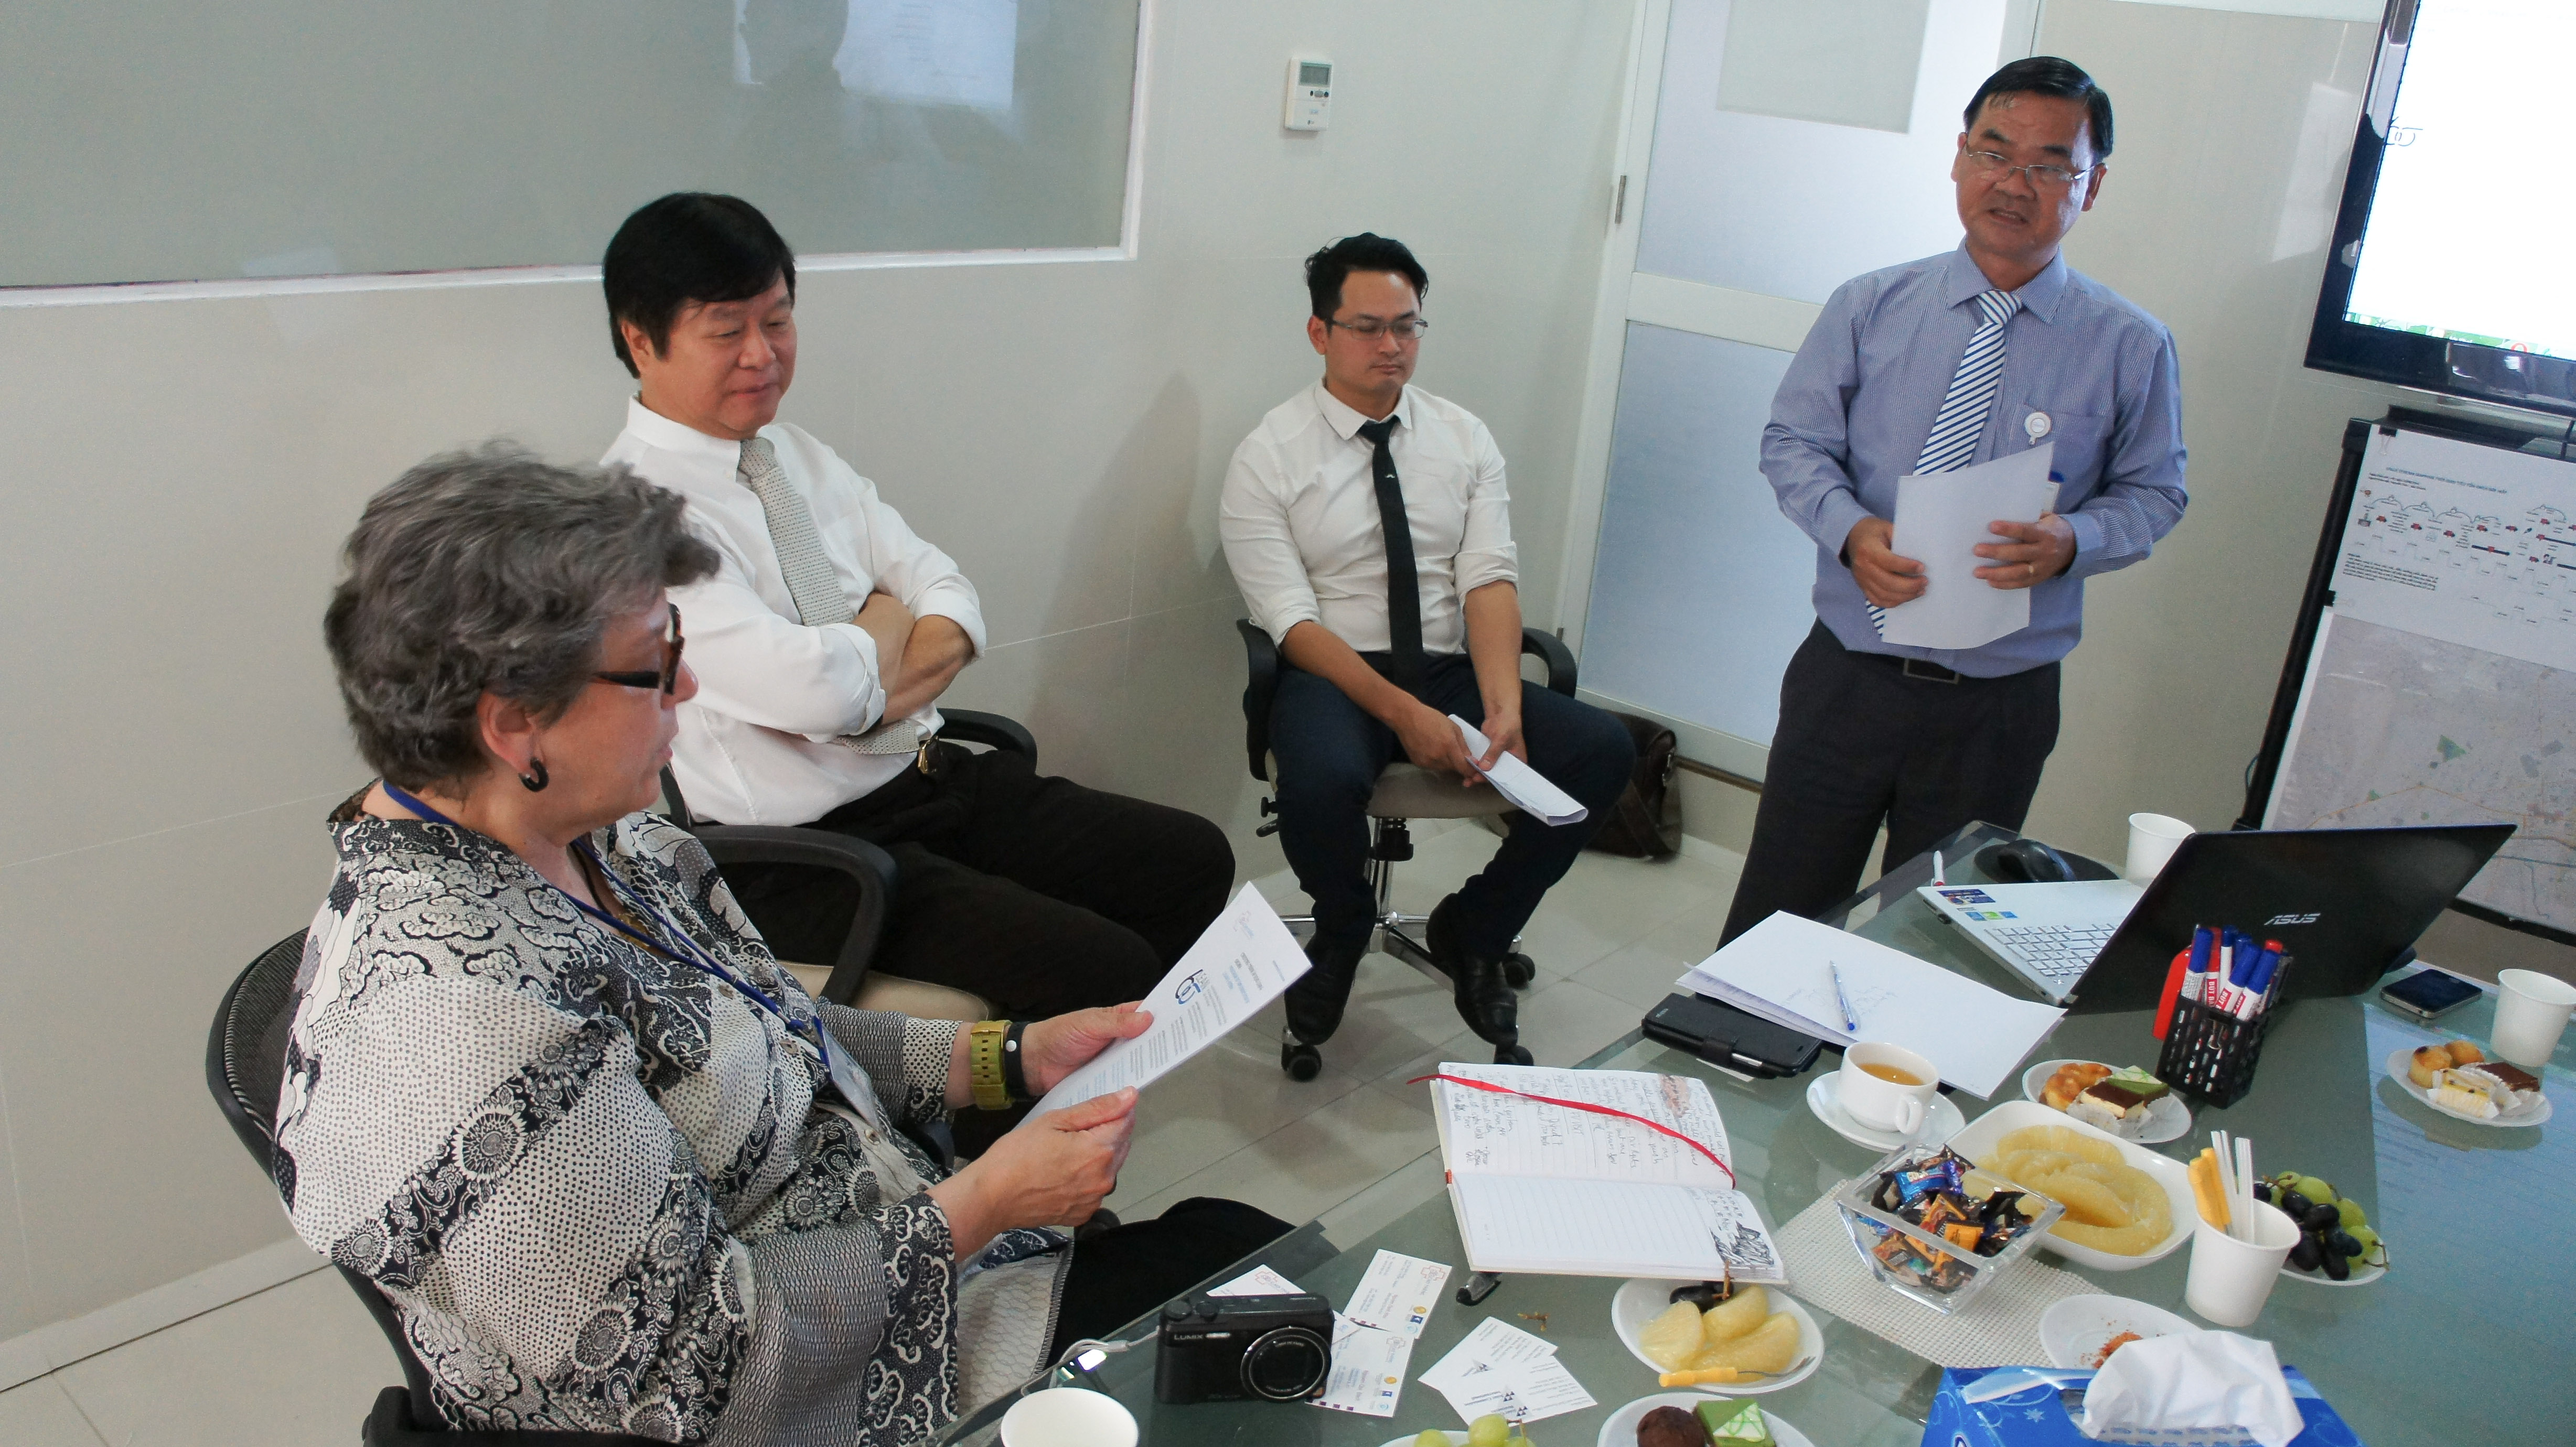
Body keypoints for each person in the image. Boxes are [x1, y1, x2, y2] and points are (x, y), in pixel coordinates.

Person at [275, 448, 1288, 1444]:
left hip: (899, 1259)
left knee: (1253, 1267)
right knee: (1273, 1317)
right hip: (846, 1391)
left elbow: (779, 1029)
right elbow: (709, 1379)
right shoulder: (456, 1033)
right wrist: (983, 1204)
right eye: (654, 667)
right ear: (515, 724)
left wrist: (1007, 1058)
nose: (687, 686)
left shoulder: (604, 838)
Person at [598, 191, 1234, 1028]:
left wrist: (865, 660)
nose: (763, 354)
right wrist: (886, 618)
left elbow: (953, 598)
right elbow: (821, 696)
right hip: (804, 857)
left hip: (926, 778)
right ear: (641, 340)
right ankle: (1029, 1103)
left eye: (779, 322)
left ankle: (1076, 1083)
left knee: (1190, 861)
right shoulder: (635, 514)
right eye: (727, 331)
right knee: (1103, 964)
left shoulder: (794, 454)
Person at [1718, 57, 2188, 944]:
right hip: (1847, 676)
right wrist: (1850, 532)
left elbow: (2156, 492)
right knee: (1776, 921)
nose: (2013, 184)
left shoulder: (2129, 344)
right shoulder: (1870, 305)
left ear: (2092, 186)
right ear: (1959, 157)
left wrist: (2074, 540)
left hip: (1998, 708)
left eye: (2049, 165)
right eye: (1993, 152)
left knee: (1933, 944)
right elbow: (1793, 442)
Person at [1220, 233, 1635, 1075]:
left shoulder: (1463, 437)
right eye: (1368, 327)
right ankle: (1341, 925)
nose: (1392, 346)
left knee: (1602, 749)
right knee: (1323, 778)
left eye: (1407, 326)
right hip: (1335, 672)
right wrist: (1405, 715)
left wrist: (1503, 704)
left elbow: (1488, 579)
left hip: (1446, 665)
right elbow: (1291, 623)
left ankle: (1475, 928)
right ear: (1320, 333)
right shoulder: (1269, 455)